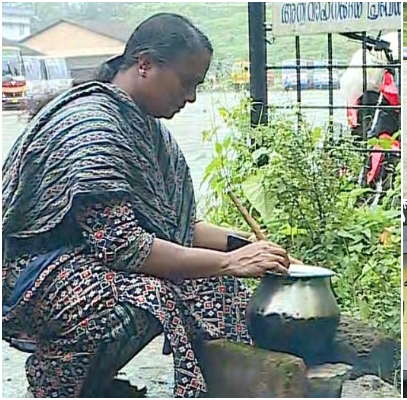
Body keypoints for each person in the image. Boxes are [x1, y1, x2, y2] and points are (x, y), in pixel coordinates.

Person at [2, 13, 297, 397]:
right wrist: (230, 262)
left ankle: (232, 384)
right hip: (29, 275)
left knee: (218, 288)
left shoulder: (148, 131)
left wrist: (249, 250)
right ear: (144, 64)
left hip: (86, 263)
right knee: (152, 294)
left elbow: (177, 225)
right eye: (186, 83)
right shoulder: (93, 128)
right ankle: (62, 383)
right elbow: (125, 246)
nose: (190, 97)